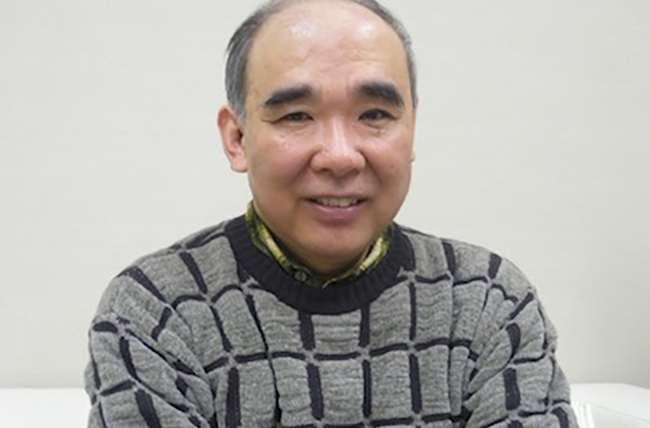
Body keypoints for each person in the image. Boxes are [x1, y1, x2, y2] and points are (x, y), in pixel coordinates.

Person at [84, 0, 577, 426]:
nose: (340, 157)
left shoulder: (487, 300)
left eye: (374, 115)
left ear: (412, 127)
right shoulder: (157, 311)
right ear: (237, 138)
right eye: (297, 116)